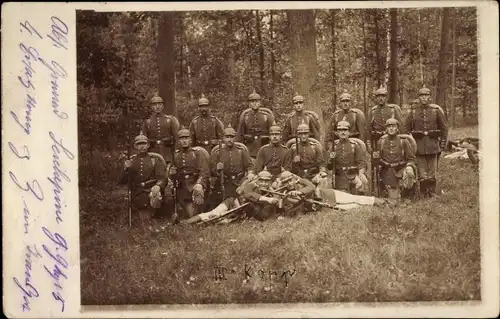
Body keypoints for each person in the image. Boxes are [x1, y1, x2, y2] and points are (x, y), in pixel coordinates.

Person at [402, 85, 448, 197]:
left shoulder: (436, 111)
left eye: (426, 95)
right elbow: (405, 129)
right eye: (422, 95)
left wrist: (442, 143)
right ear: (418, 97)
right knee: (421, 170)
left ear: (429, 97)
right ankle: (423, 192)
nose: (424, 98)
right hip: (418, 145)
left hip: (433, 144)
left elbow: (444, 128)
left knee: (432, 170)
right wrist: (410, 143)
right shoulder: (413, 112)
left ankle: (431, 192)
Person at [120, 133, 168, 227]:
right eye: (139, 144)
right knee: (144, 220)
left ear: (148, 145)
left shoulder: (155, 159)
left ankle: (156, 215)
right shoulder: (132, 160)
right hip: (138, 192)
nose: (142, 146)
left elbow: (162, 178)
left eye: (144, 143)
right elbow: (124, 181)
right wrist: (126, 170)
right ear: (135, 146)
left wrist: (158, 186)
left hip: (151, 190)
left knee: (155, 199)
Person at [207, 123, 254, 215]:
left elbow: (250, 166)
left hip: (239, 181)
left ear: (234, 138)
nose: (229, 139)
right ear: (223, 138)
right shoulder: (217, 152)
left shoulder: (241, 151)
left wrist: (250, 174)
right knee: (214, 201)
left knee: (244, 198)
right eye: (227, 137)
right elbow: (211, 171)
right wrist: (217, 169)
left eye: (231, 137)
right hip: (224, 181)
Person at [169, 126, 210, 221]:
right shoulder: (176, 155)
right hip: (182, 188)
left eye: (186, 138)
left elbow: (204, 172)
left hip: (195, 186)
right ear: (178, 141)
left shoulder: (197, 153)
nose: (184, 141)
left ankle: (195, 214)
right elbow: (171, 176)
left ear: (191, 140)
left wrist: (199, 184)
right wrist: (171, 173)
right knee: (189, 212)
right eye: (182, 138)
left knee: (194, 213)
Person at [373, 118, 417, 201]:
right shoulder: (381, 142)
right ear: (386, 129)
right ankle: (392, 192)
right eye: (389, 126)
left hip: (401, 168)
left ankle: (407, 193)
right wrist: (376, 159)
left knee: (409, 172)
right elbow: (377, 160)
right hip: (387, 171)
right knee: (394, 199)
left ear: (397, 128)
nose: (391, 128)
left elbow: (411, 159)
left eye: (393, 126)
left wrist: (409, 167)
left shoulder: (403, 141)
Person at [327, 120, 369, 195]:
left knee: (362, 185)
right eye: (340, 130)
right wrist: (331, 159)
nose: (343, 132)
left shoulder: (355, 145)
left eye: (345, 130)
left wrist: (361, 174)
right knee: (344, 197)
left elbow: (361, 162)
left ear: (349, 132)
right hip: (340, 177)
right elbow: (329, 167)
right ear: (337, 133)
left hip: (353, 174)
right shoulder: (334, 146)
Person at [236, 89, 275, 158]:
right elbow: (240, 135)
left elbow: (274, 132)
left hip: (264, 147)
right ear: (249, 104)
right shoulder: (245, 117)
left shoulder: (266, 116)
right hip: (249, 149)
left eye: (256, 101)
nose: (254, 103)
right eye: (252, 101)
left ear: (260, 103)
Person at [141, 95, 180, 164]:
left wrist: (176, 150)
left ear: (163, 106)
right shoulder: (147, 121)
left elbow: (176, 137)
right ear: (151, 107)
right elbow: (143, 139)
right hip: (152, 151)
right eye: (155, 104)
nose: (157, 106)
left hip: (167, 151)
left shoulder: (169, 120)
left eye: (159, 104)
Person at [286, 122, 328, 186]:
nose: (303, 136)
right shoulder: (293, 148)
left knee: (323, 180)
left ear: (308, 134)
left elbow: (321, 164)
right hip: (298, 177)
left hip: (313, 175)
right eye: (301, 134)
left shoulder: (315, 147)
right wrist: (294, 162)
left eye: (305, 133)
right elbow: (288, 167)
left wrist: (322, 172)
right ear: (298, 135)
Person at [365, 86, 403, 154]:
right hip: (376, 141)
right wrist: (368, 144)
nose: (380, 98)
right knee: (376, 161)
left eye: (383, 96)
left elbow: (400, 127)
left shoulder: (393, 109)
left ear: (386, 97)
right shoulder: (372, 111)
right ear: (376, 98)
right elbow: (368, 129)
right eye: (378, 96)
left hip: (392, 141)